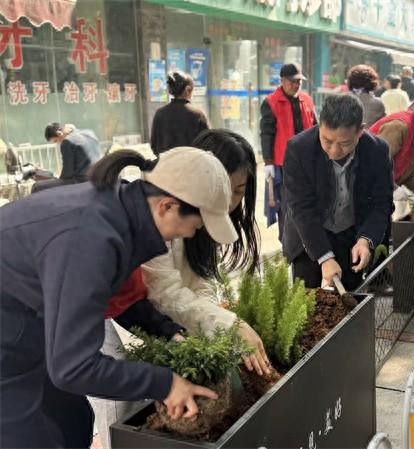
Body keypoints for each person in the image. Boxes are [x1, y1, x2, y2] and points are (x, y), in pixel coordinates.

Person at [0, 147, 237, 447]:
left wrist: (170, 334)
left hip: (28, 324)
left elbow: (121, 297)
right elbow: (74, 367)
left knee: (73, 423)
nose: (190, 235)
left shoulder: (120, 212)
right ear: (166, 206)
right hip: (9, 341)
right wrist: (165, 384)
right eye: (194, 226)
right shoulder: (90, 238)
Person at [91, 130, 269, 449]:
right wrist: (165, 381)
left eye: (239, 192)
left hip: (116, 310)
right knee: (113, 401)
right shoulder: (121, 232)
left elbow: (139, 299)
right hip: (57, 321)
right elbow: (73, 363)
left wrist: (189, 332)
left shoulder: (164, 217)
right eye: (226, 191)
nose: (229, 204)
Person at [282, 94, 393, 291]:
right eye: (327, 141)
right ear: (319, 124)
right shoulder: (299, 149)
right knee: (304, 299)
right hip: (308, 236)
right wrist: (324, 257)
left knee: (351, 297)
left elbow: (381, 204)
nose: (334, 151)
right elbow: (301, 208)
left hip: (351, 236)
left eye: (344, 143)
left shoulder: (377, 151)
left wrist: (365, 240)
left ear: (360, 130)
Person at [260, 63, 316, 242]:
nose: (296, 85)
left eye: (299, 81)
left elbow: (316, 128)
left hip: (307, 162)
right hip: (283, 163)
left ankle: (305, 240)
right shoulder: (271, 102)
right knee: (287, 205)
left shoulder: (307, 100)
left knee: (307, 201)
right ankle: (287, 242)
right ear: (282, 81)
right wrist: (268, 162)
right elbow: (267, 133)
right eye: (292, 81)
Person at [150, 70, 209, 155]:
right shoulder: (198, 115)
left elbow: (154, 145)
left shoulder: (160, 113)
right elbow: (209, 144)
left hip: (166, 162)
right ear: (187, 89)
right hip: (192, 162)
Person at [38, 122, 101, 191]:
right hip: (96, 177)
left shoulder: (67, 141)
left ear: (59, 133)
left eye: (56, 141)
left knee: (37, 186)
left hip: (81, 180)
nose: (58, 143)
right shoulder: (89, 133)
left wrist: (57, 179)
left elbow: (67, 173)